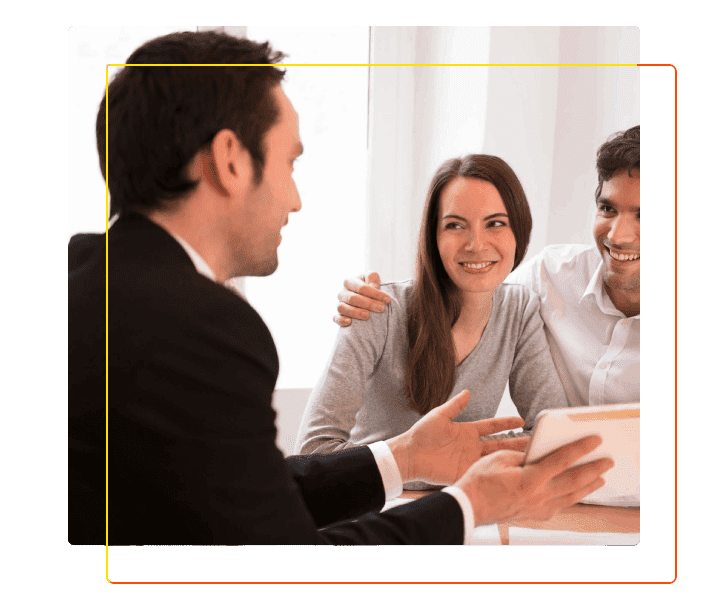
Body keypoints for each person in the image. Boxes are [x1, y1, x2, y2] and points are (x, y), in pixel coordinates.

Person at [68, 31, 612, 546]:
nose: (296, 198)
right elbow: (289, 565)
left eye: (496, 223)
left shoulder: (85, 279)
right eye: (290, 162)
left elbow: (249, 497)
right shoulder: (201, 325)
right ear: (231, 160)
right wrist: (468, 504)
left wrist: (404, 458)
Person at [296, 155, 569, 474]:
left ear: (519, 231)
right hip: (377, 511)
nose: (476, 244)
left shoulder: (519, 310)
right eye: (455, 225)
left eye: (495, 223)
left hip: (464, 508)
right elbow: (313, 454)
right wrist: (428, 461)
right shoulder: (377, 310)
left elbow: (551, 436)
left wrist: (459, 457)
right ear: (433, 237)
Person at [334, 127, 640, 408]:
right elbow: (476, 279)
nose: (618, 236)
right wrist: (363, 297)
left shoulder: (519, 307)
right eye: (607, 208)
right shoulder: (548, 277)